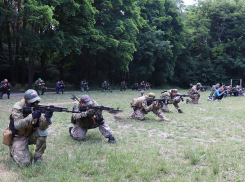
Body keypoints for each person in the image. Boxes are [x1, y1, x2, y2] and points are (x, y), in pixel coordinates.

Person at [8, 89, 53, 166]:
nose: (35, 104)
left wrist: (46, 118)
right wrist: (32, 116)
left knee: (43, 132)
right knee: (25, 163)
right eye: (32, 102)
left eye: (37, 101)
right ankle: (13, 149)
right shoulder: (18, 107)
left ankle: (37, 158)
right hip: (18, 136)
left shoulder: (37, 108)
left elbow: (43, 127)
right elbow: (18, 125)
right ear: (26, 101)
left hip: (30, 135)